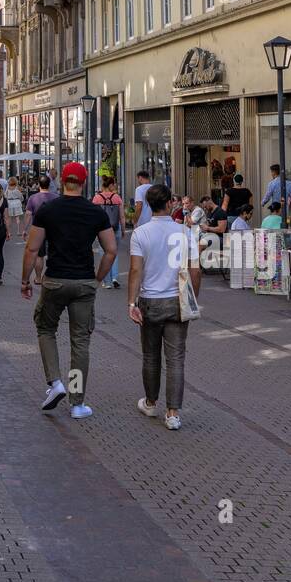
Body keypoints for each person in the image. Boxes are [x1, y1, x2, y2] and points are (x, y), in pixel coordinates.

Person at [22, 162, 117, 418]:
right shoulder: (95, 212)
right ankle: (77, 403)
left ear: (63, 181)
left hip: (54, 280)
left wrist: (25, 280)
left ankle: (55, 383)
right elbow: (111, 251)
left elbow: (32, 249)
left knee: (45, 328)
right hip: (84, 281)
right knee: (80, 342)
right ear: (84, 182)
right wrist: (97, 278)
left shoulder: (48, 210)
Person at [128, 183, 201, 431]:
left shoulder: (140, 234)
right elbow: (195, 269)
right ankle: (172, 413)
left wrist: (131, 302)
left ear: (148, 205)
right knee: (176, 358)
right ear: (170, 203)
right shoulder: (185, 232)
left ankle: (150, 402)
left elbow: (136, 270)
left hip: (150, 300)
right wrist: (193, 298)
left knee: (150, 355)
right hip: (177, 301)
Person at [92, 176, 125, 287]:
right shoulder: (117, 197)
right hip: (116, 228)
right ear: (110, 185)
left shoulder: (97, 198)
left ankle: (107, 282)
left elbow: (94, 216)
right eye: (114, 184)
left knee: (104, 253)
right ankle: (115, 277)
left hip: (102, 229)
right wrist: (123, 230)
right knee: (114, 253)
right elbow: (122, 216)